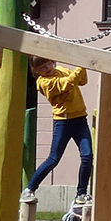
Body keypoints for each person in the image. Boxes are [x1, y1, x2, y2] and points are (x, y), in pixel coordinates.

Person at [25, 57, 93, 200]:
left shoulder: (61, 70)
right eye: (43, 67)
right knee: (54, 158)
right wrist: (82, 64)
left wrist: (83, 67)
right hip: (63, 122)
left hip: (80, 119)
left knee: (87, 156)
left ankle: (81, 193)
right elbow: (66, 84)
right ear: (36, 71)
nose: (48, 67)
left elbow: (82, 81)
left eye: (50, 63)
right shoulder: (43, 82)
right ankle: (30, 189)